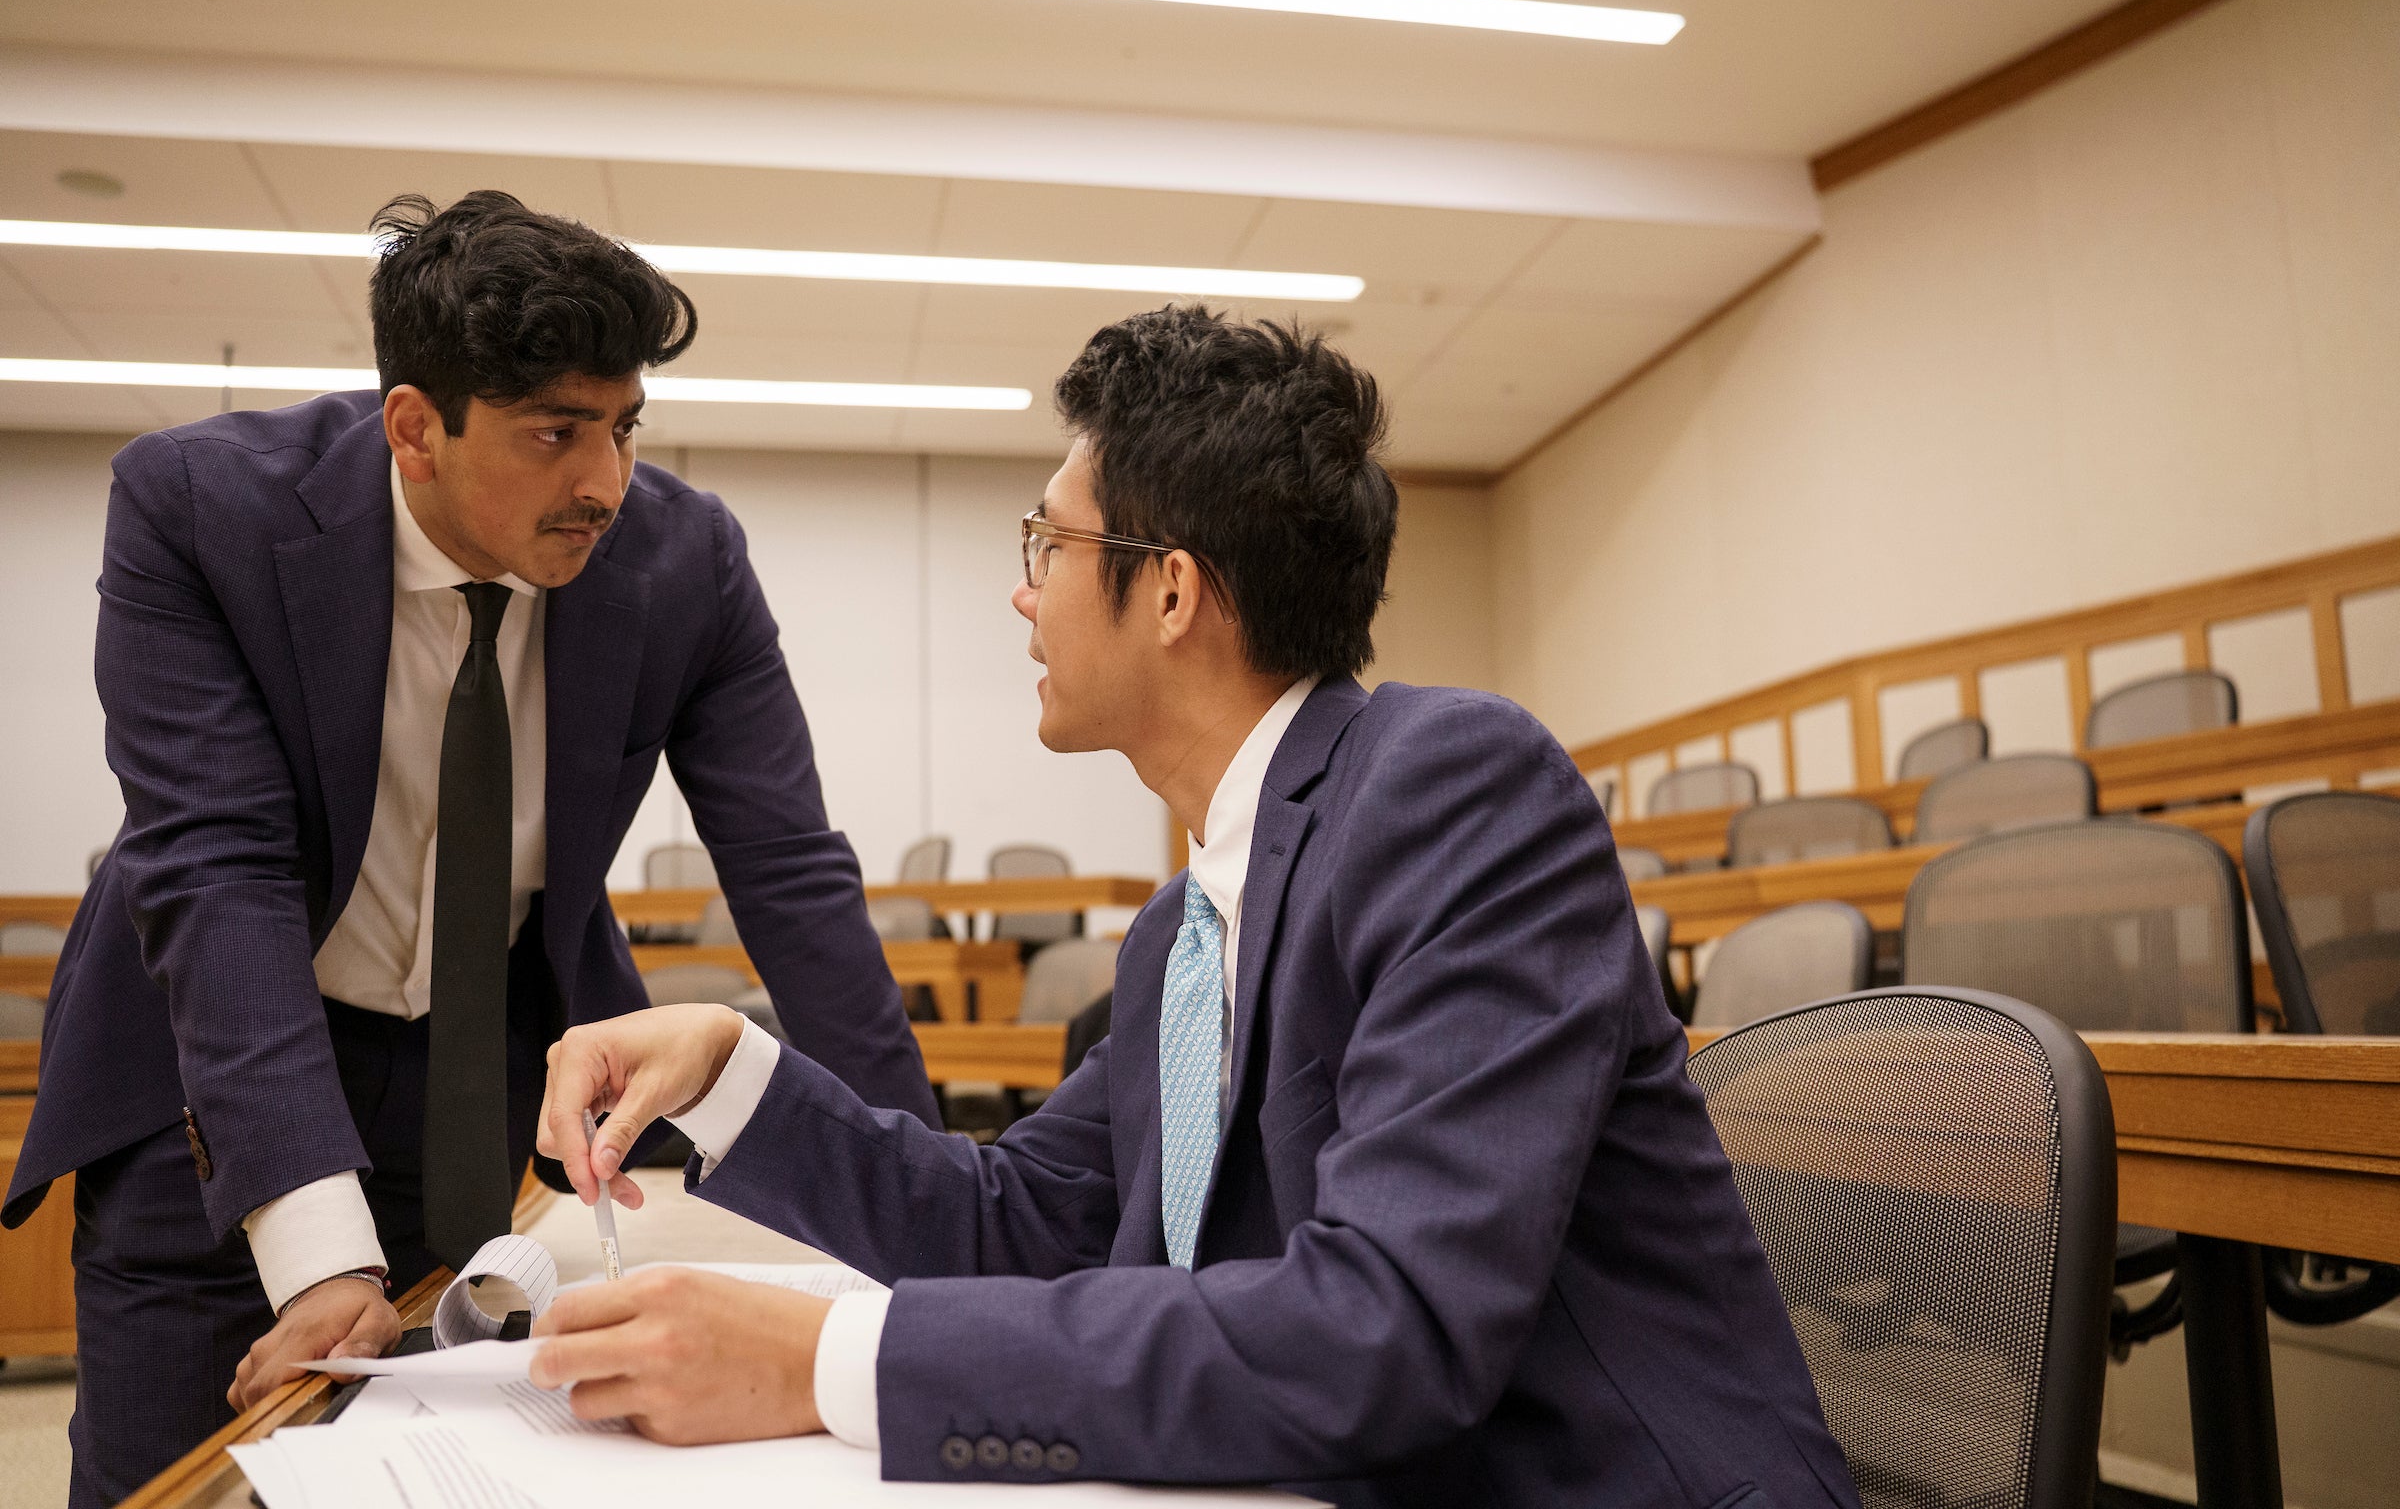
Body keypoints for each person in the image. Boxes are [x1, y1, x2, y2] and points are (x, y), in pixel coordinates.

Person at [528, 306, 1859, 1508]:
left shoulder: (1457, 789)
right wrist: (730, 1071)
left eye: (1048, 541)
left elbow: (1382, 1329)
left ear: (1169, 590)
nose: (1023, 587)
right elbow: (1020, 1227)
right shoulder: (1187, 927)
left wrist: (826, 1359)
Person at [1, 191, 939, 1509]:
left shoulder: (684, 563)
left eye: (622, 428)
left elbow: (791, 873)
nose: (604, 481)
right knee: (178, 1481)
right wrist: (320, 1249)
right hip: (209, 1091)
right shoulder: (199, 511)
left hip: (472, 1080)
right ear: (415, 429)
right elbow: (217, 872)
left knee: (436, 1468)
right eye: (555, 433)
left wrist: (938, 1216)